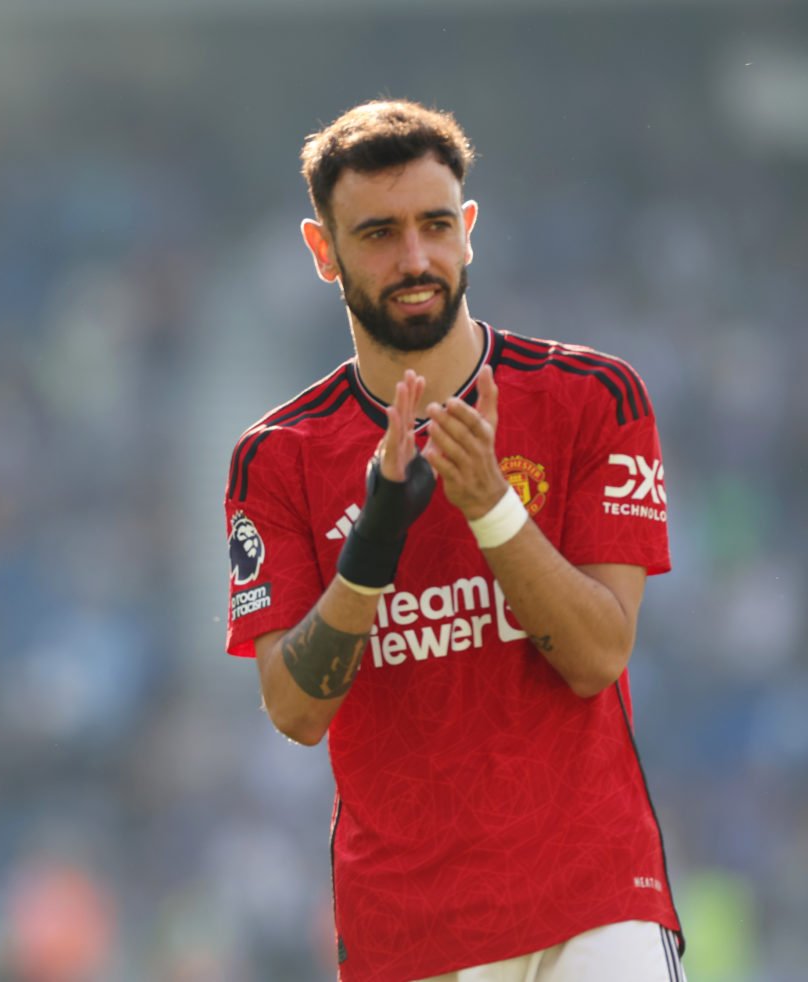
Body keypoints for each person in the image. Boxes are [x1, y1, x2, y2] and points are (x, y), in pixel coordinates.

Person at [222, 101, 684, 981]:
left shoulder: (595, 399)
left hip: (592, 903)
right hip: (408, 935)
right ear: (323, 253)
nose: (414, 259)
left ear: (468, 231)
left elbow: (597, 653)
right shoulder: (276, 459)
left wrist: (492, 509)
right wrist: (376, 538)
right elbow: (294, 711)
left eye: (436, 225)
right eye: (378, 233)